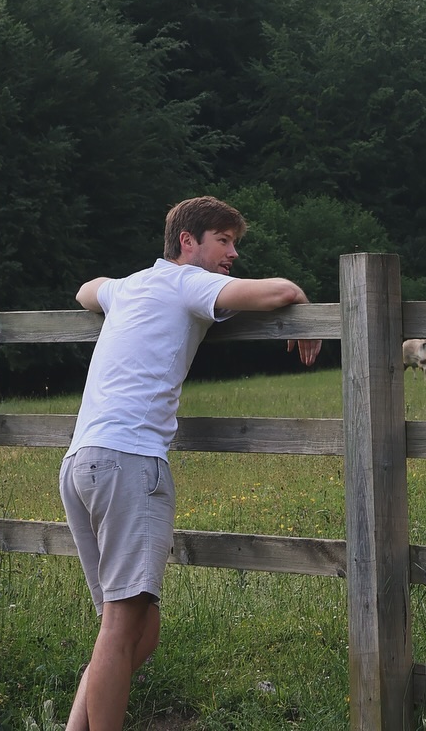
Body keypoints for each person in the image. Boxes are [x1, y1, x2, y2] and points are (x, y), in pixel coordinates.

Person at [60, 195, 321, 731]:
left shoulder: (129, 286)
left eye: (234, 244)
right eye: (223, 241)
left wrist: (108, 295)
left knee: (139, 631)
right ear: (188, 242)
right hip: (130, 463)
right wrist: (302, 302)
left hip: (81, 462)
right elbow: (276, 292)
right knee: (118, 627)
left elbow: (86, 290)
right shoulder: (187, 283)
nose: (232, 254)